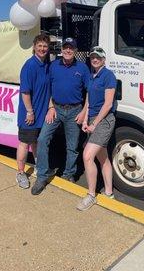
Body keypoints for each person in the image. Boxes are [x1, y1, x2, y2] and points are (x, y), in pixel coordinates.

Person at [31, 37, 90, 195]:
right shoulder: (53, 66)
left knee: (72, 147)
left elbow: (90, 91)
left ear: (75, 51)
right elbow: (48, 88)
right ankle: (42, 176)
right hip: (55, 109)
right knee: (42, 139)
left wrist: (84, 112)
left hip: (75, 111)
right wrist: (50, 106)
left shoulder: (83, 68)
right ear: (61, 49)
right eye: (65, 47)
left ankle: (68, 174)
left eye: (71, 48)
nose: (68, 50)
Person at [76, 46, 116, 211]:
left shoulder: (108, 76)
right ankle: (109, 193)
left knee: (87, 155)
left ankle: (91, 195)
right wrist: (86, 120)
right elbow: (89, 101)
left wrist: (94, 124)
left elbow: (108, 104)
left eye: (98, 57)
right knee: (103, 157)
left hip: (104, 120)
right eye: (92, 57)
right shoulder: (92, 77)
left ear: (104, 60)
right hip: (92, 119)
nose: (95, 59)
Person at [16, 34, 51, 189]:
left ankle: (38, 168)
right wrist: (30, 112)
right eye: (40, 46)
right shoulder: (29, 65)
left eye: (45, 46)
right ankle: (21, 173)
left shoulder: (47, 65)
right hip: (30, 114)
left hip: (42, 113)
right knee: (24, 143)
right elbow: (25, 92)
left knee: (36, 142)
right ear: (34, 47)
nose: (42, 49)